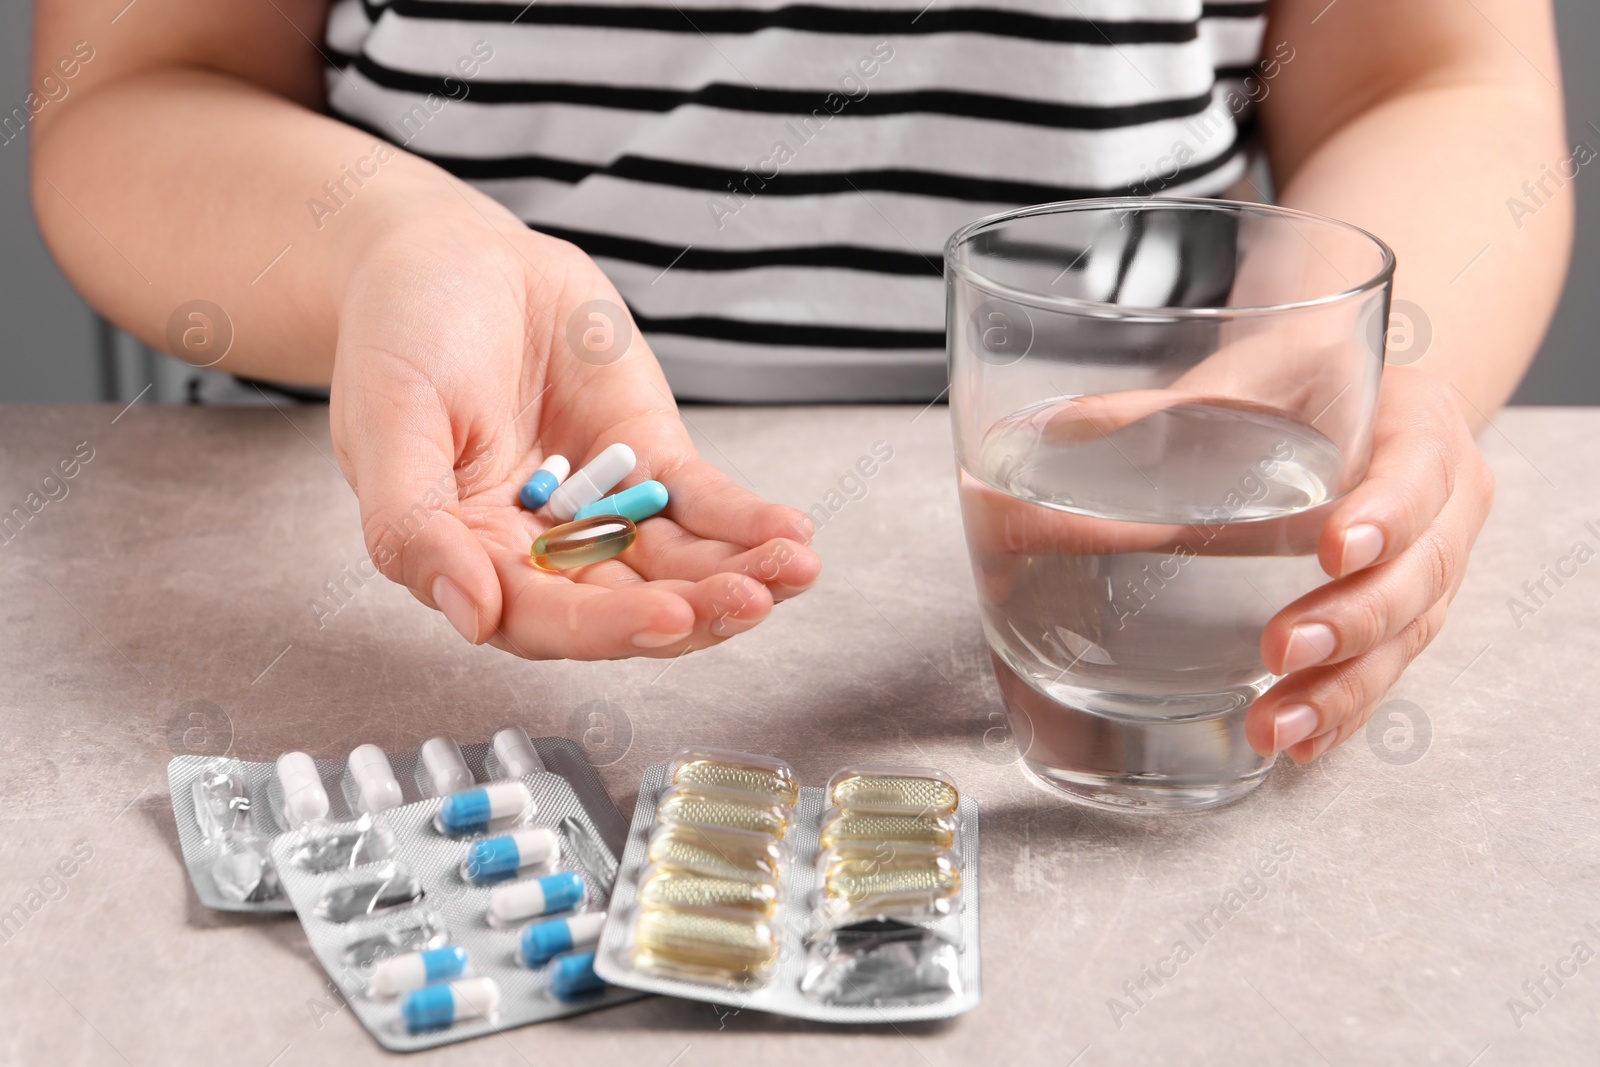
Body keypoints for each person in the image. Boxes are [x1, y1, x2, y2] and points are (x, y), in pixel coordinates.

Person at [29, 0, 1570, 765]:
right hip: (394, 528)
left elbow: (1431, 76)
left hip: (1162, 534)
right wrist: (393, 247)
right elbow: (143, 83)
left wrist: (1370, 363)